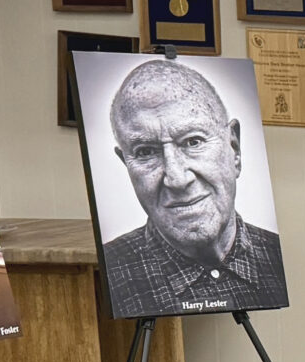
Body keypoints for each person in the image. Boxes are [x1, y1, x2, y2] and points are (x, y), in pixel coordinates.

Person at [101, 59, 288, 317]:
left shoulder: (278, 259)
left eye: (193, 141)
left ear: (234, 148)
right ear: (126, 164)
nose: (177, 179)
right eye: (146, 152)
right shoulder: (108, 276)